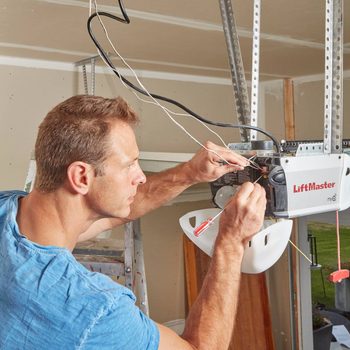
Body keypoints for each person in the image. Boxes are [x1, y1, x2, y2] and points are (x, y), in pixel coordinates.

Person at [0, 95, 266, 349]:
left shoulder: (9, 210)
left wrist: (189, 173)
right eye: (130, 165)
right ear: (81, 176)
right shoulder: (92, 308)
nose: (140, 177)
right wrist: (231, 242)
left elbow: (115, 211)